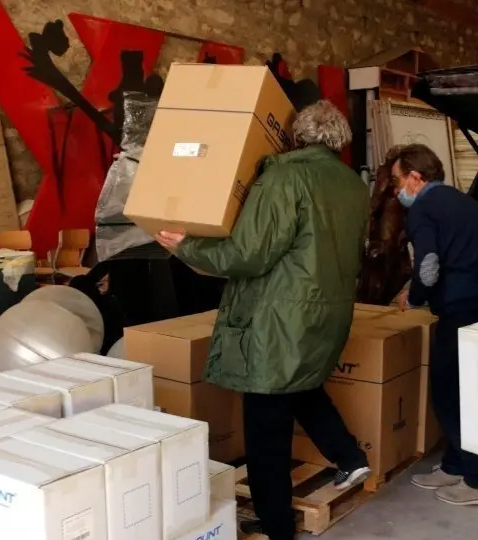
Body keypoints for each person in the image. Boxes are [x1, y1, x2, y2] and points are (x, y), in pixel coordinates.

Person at [154, 100, 371, 540]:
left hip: (280, 315)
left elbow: (247, 254)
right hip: (325, 311)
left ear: (297, 135)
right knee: (303, 385)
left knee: (265, 423)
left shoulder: (286, 176)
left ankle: (276, 526)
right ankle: (350, 456)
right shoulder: (351, 184)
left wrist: (186, 248)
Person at [391, 144, 478, 506]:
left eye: (398, 180)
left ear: (416, 177)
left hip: (455, 312)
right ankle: (454, 465)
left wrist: (415, 296)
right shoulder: (468, 203)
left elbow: (429, 264)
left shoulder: (423, 207)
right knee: (470, 390)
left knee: (451, 395)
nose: (397, 190)